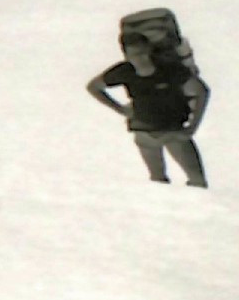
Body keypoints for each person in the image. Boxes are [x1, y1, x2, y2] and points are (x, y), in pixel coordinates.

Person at [86, 31, 210, 187]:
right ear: (126, 55)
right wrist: (120, 109)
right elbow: (93, 87)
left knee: (197, 181)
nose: (140, 58)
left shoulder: (170, 70)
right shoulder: (125, 71)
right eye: (135, 54)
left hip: (173, 132)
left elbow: (201, 92)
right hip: (143, 133)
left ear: (149, 49)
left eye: (143, 52)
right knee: (158, 182)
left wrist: (193, 127)